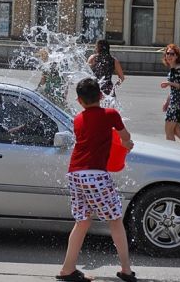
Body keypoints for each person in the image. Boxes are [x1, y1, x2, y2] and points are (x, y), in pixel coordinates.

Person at [57, 78, 136, 282]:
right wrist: (128, 144)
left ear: (80, 101)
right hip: (96, 175)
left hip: (75, 173)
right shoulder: (110, 114)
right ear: (101, 96)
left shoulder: (77, 119)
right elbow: (125, 137)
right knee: (115, 220)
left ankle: (67, 269)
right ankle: (126, 270)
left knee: (82, 221)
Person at [160, 44, 180, 145]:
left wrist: (169, 83)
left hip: (176, 104)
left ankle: (172, 155)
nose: (169, 56)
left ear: (177, 56)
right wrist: (167, 102)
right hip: (174, 102)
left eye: (172, 54)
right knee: (177, 131)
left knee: (169, 132)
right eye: (167, 53)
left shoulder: (179, 69)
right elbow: (174, 90)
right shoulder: (173, 69)